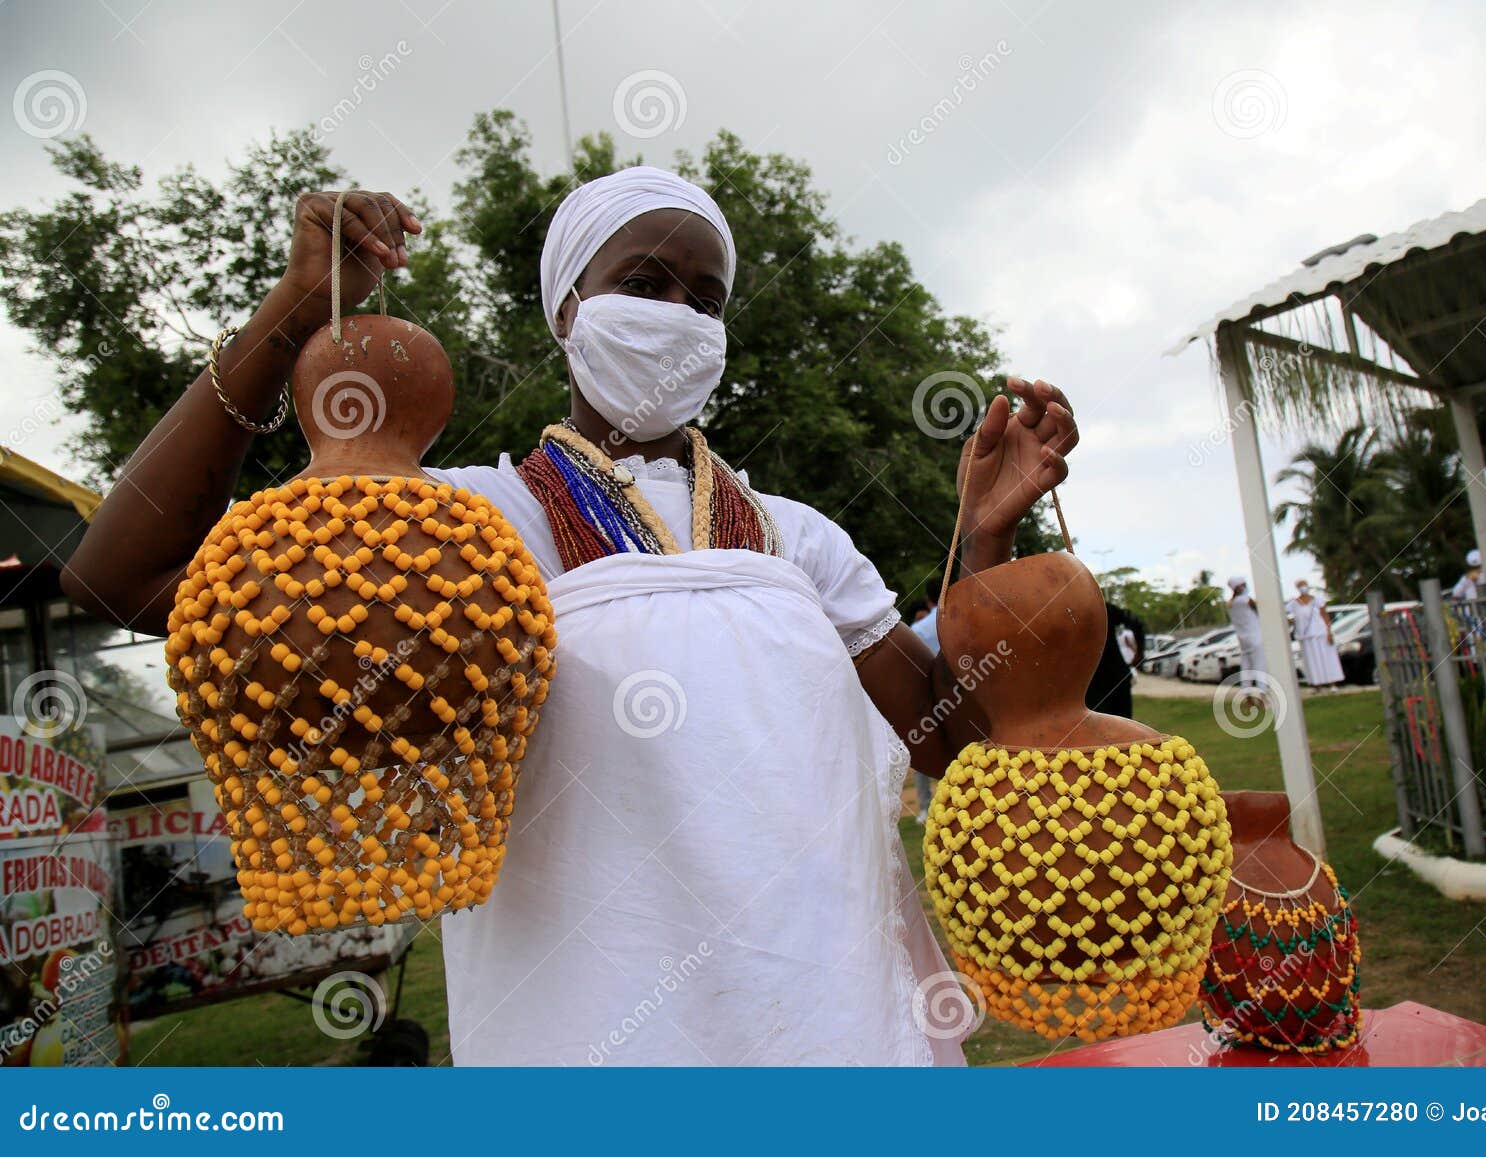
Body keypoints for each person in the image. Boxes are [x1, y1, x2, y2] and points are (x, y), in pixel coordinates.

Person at [59, 171, 1081, 1066]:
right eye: (643, 285)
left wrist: (986, 541)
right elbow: (121, 572)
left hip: (830, 1015)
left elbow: (952, 738)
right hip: (593, 1030)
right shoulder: (456, 531)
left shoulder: (795, 536)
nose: (678, 313)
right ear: (565, 309)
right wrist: (295, 308)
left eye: (706, 298)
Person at [908, 580, 941, 823]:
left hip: (931, 700)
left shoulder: (920, 630)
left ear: (929, 599)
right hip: (969, 695)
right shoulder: (968, 616)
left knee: (922, 754)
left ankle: (926, 807)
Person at [1086, 601, 1144, 719]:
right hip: (1116, 677)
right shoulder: (1103, 607)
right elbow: (1136, 622)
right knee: (1124, 727)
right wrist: (1139, 653)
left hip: (1092, 682)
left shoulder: (1064, 610)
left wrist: (1139, 654)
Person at [1288, 579, 1343, 689]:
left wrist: (1329, 632)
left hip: (1320, 634)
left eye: (1304, 585)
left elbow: (1325, 615)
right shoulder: (1294, 604)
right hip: (1306, 637)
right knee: (1311, 662)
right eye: (1300, 585)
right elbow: (1291, 618)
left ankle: (1332, 683)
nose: (1303, 587)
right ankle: (1316, 684)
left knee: (1327, 659)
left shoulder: (1317, 600)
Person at [1226, 576, 1266, 697]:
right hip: (1255, 638)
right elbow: (1260, 610)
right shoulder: (1246, 601)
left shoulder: (1231, 604)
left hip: (1243, 640)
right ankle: (1262, 694)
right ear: (1241, 586)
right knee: (1260, 666)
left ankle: (1247, 694)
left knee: (1246, 668)